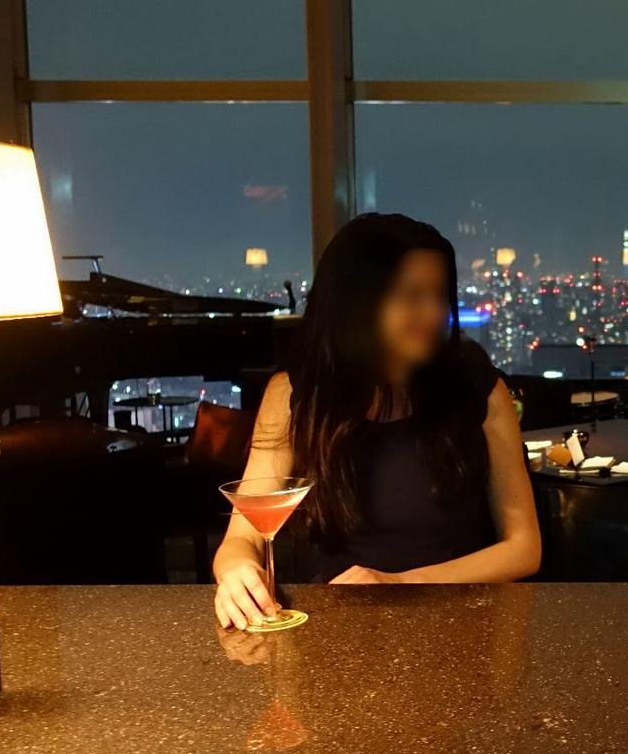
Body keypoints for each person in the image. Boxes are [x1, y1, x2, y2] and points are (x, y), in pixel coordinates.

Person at [213, 214, 540, 630]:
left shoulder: (479, 392)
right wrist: (236, 572)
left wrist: (399, 583)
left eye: (439, 295)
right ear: (357, 303)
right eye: (412, 295)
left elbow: (525, 547)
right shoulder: (296, 397)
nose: (434, 312)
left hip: (460, 629)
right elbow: (242, 536)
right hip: (340, 631)